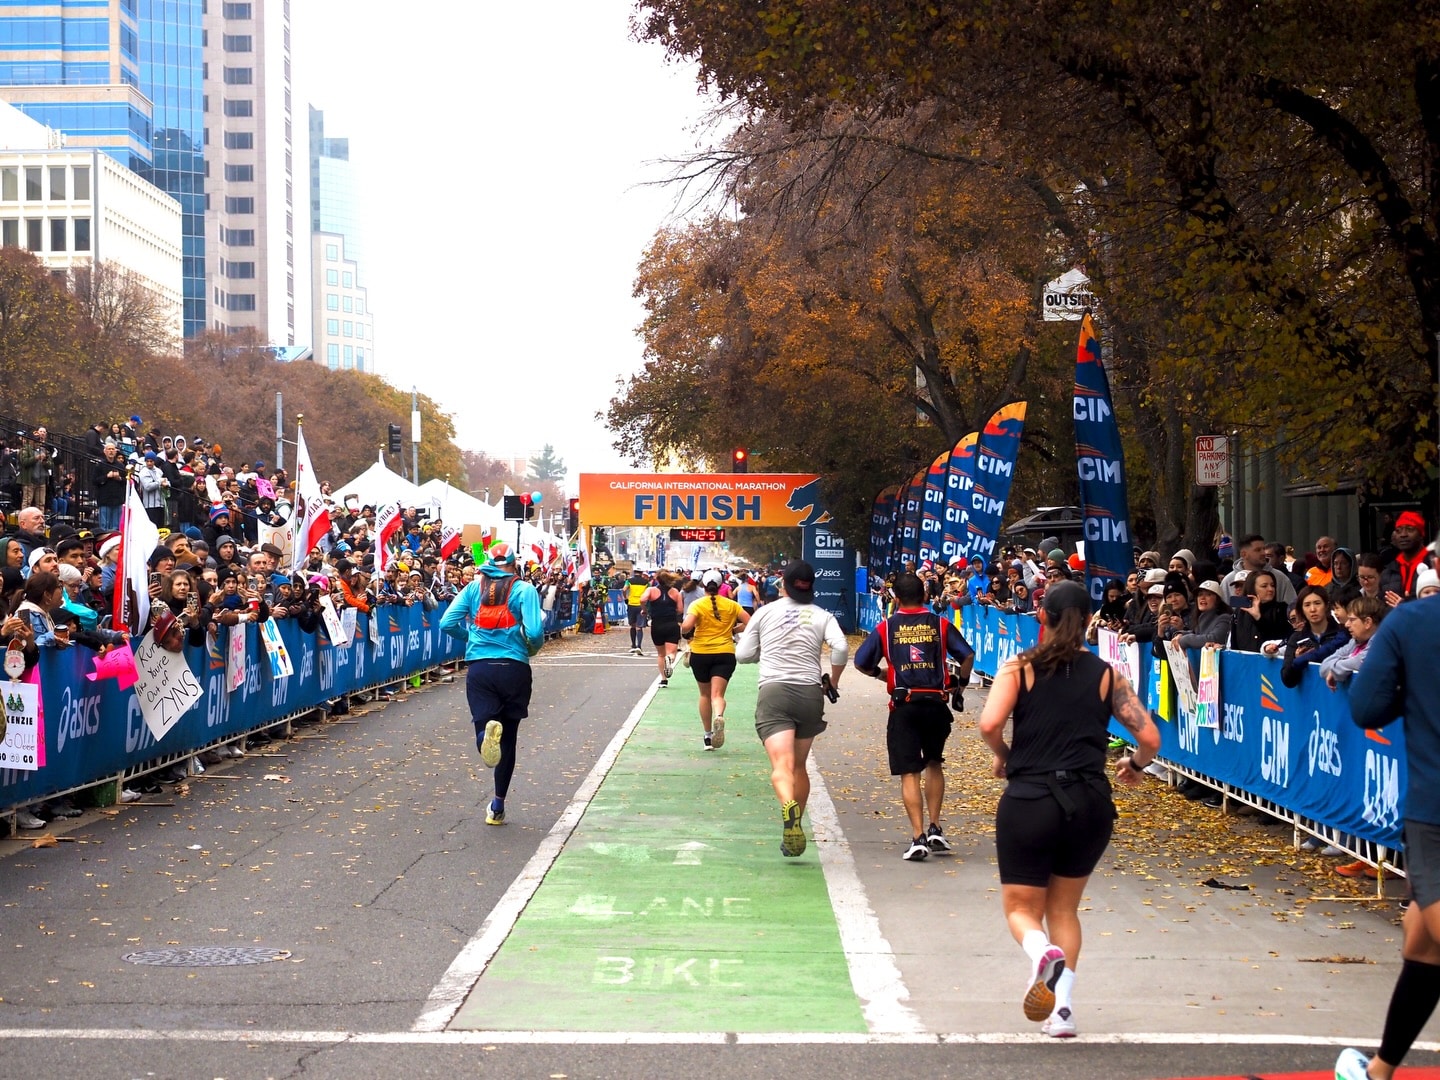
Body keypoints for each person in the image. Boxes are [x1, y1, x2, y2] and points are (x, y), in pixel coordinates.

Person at [978, 580, 1160, 1038]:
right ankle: (1062, 1011)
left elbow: (989, 722)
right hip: (1089, 801)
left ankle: (1039, 952)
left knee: (1021, 907)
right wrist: (1134, 765)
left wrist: (1003, 755)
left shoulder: (1019, 668)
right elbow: (1151, 738)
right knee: (1065, 909)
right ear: (1089, 620)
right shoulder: (1106, 674)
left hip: (1031, 798)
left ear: (1043, 616)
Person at [1334, 585, 1440, 1080]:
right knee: (1420, 936)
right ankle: (1379, 1069)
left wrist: (1412, 689)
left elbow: (1366, 706)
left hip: (1436, 809)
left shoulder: (1414, 622)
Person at [853, 571, 975, 861]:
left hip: (904, 705)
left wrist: (883, 675)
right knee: (934, 763)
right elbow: (967, 656)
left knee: (910, 771)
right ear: (924, 596)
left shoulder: (886, 627)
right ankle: (935, 828)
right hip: (936, 704)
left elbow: (860, 662)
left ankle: (918, 836)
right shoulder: (941, 624)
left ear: (895, 598)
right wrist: (960, 687)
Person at [735, 561, 847, 858]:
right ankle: (796, 820)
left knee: (781, 766)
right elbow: (841, 648)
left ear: (782, 583)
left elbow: (743, 655)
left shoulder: (765, 612)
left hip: (774, 691)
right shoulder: (823, 615)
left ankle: (787, 806)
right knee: (800, 765)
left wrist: (763, 650)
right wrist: (832, 681)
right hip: (810, 693)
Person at [438, 543, 544, 826]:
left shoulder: (474, 588)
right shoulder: (524, 590)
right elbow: (534, 631)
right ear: (513, 564)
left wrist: (471, 637)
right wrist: (530, 648)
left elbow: (447, 623)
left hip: (481, 668)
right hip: (514, 667)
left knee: (483, 724)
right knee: (509, 739)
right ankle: (497, 805)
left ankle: (484, 737)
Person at [679, 568, 750, 749]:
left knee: (704, 694)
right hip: (725, 653)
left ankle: (708, 735)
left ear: (703, 585)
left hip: (701, 653)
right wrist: (733, 630)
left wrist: (685, 627)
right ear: (721, 586)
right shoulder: (731, 605)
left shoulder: (697, 605)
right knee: (717, 695)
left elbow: (686, 627)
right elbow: (750, 621)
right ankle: (719, 715)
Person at [1280, 584, 1350, 688]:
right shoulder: (1297, 637)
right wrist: (1297, 659)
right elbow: (1287, 680)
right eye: (1307, 605)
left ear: (1326, 605)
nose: (1313, 609)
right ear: (1301, 609)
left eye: (1317, 603)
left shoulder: (1343, 633)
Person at [640, 570, 684, 686]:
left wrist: (645, 610)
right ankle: (669, 658)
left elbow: (642, 599)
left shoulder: (651, 590)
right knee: (672, 652)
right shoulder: (675, 592)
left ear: (657, 579)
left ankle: (663, 679)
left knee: (660, 654)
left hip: (657, 624)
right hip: (671, 623)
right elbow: (680, 610)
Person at [624, 567, 650, 655]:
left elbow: (624, 589)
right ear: (641, 572)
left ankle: (633, 645)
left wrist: (626, 598)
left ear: (634, 572)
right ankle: (639, 646)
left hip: (631, 604)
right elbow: (649, 592)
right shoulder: (646, 582)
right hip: (641, 605)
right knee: (639, 626)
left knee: (632, 625)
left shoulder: (629, 581)